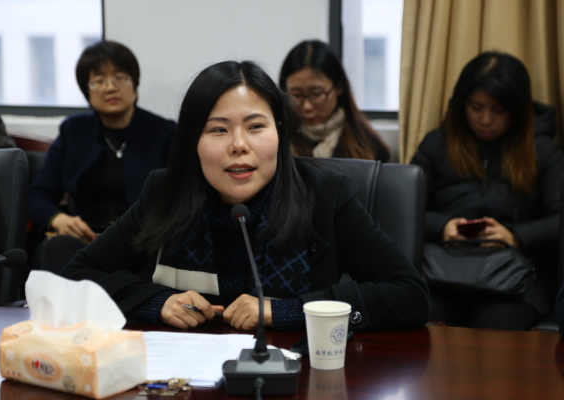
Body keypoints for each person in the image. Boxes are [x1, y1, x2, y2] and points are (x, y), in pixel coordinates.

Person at [61, 60, 429, 332]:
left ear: (279, 132)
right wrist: (156, 302)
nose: (239, 145)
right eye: (218, 130)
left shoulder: (324, 194)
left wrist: (284, 311)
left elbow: (409, 295)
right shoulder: (164, 193)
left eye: (255, 127)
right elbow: (78, 275)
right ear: (192, 141)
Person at [411, 51, 564, 330]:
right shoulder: (436, 144)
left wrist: (514, 236)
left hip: (514, 279)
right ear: (462, 104)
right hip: (440, 273)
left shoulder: (542, 150)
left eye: (499, 110)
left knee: (496, 334)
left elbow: (559, 221)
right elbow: (405, 210)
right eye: (476, 107)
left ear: (517, 110)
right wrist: (443, 226)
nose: (485, 119)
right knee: (423, 328)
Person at [28, 41, 176, 272]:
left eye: (120, 77)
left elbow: (180, 198)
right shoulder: (73, 131)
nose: (110, 88)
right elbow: (38, 194)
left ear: (135, 85)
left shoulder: (165, 132)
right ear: (87, 91)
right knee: (59, 248)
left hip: (142, 240)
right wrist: (59, 219)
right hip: (85, 240)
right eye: (98, 81)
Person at [279, 40, 389, 161]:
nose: (307, 106)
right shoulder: (278, 139)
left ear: (339, 88)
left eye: (316, 94)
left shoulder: (367, 145)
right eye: (296, 95)